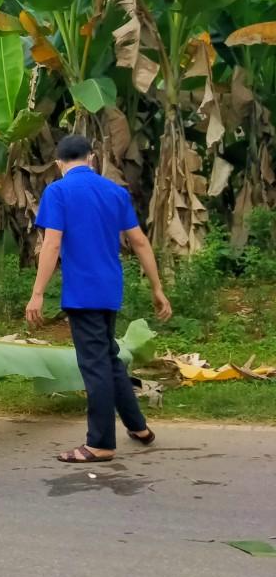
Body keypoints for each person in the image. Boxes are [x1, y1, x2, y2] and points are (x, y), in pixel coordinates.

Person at [28, 134, 172, 464]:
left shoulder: (58, 191)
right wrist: (157, 287)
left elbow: (51, 246)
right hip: (110, 290)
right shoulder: (114, 192)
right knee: (108, 358)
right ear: (92, 158)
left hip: (82, 293)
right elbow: (139, 242)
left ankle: (100, 443)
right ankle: (138, 428)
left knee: (94, 367)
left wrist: (37, 294)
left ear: (59, 164)